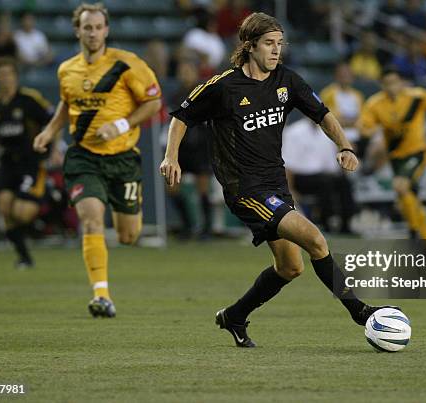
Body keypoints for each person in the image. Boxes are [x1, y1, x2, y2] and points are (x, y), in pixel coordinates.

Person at [161, 12, 395, 348]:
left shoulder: (287, 80)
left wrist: (344, 146)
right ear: (250, 45)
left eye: (280, 44)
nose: (276, 50)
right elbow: (181, 117)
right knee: (316, 239)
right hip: (245, 188)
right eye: (269, 43)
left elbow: (323, 114)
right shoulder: (223, 86)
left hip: (276, 185)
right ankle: (359, 311)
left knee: (290, 267)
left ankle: (234, 316)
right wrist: (171, 156)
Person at [33, 3, 162, 318]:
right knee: (90, 218)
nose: (92, 33)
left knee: (128, 235)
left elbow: (154, 102)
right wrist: (49, 132)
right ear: (77, 30)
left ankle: (125, 225)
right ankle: (101, 295)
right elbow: (67, 104)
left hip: (122, 159)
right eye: (87, 27)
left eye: (98, 27)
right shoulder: (67, 69)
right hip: (83, 157)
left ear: (106, 30)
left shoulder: (127, 64)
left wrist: (119, 125)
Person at [358, 67, 426, 239]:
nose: (391, 87)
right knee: (406, 194)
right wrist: (369, 130)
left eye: (394, 83)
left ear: (401, 83)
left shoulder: (416, 97)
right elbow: (363, 126)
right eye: (387, 84)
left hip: (417, 151)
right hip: (396, 156)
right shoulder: (375, 104)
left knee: (400, 186)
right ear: (381, 85)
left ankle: (413, 232)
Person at [0, 58, 53, 267]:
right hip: (7, 162)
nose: (5, 78)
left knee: (22, 213)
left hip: (31, 162)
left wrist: (54, 148)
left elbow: (52, 120)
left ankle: (46, 204)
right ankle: (24, 257)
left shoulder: (29, 99)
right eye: (1, 75)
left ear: (15, 76)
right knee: (4, 208)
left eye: (9, 74)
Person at [165, 60, 213, 239]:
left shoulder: (203, 92)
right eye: (182, 70)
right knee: (171, 188)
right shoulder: (175, 95)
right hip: (181, 148)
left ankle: (206, 229)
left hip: (200, 147)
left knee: (203, 190)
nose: (185, 74)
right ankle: (187, 226)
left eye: (188, 70)